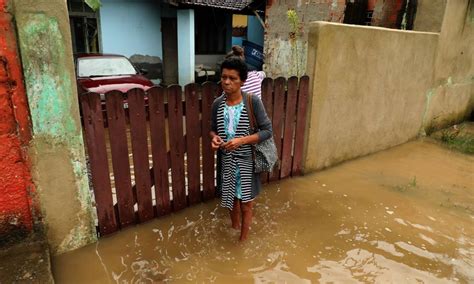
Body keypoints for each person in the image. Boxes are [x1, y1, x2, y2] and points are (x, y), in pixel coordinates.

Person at [210, 56, 273, 241]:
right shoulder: (217, 104)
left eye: (232, 78)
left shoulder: (252, 102)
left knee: (246, 204)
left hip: (247, 161)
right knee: (231, 201)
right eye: (223, 77)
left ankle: (242, 241)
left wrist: (242, 140)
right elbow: (212, 129)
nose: (227, 82)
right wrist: (214, 139)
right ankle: (234, 228)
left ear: (242, 81)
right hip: (226, 161)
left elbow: (267, 131)